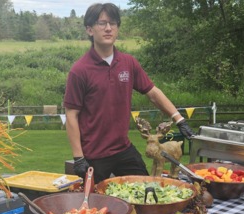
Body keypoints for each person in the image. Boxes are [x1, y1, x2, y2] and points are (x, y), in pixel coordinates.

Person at [63, 2, 195, 183]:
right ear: (90, 30)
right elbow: (71, 115)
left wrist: (179, 119)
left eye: (113, 23)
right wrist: (78, 157)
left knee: (146, 192)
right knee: (94, 206)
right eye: (102, 23)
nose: (108, 28)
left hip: (123, 149)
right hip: (94, 155)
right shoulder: (80, 70)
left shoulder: (128, 63)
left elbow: (153, 93)